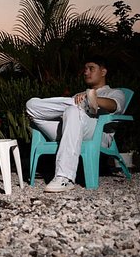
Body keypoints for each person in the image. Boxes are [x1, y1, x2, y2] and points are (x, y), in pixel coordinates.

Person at [25, 55, 126, 193]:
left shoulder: (115, 92)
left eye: (91, 68)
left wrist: (95, 98)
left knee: (73, 110)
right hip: (70, 130)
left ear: (103, 72)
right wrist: (84, 99)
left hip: (97, 132)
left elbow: (115, 105)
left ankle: (64, 177)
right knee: (31, 106)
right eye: (85, 69)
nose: (86, 72)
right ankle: (82, 105)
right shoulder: (80, 94)